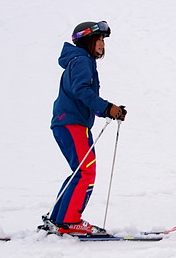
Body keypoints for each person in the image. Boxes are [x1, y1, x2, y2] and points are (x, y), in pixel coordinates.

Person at [42, 21, 126, 235]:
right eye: (98, 39)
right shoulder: (82, 61)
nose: (101, 44)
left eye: (103, 40)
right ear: (87, 40)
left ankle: (60, 219)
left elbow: (82, 96)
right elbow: (82, 91)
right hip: (72, 124)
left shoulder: (81, 61)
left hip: (69, 122)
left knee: (80, 172)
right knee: (85, 172)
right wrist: (107, 108)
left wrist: (106, 110)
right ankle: (69, 221)